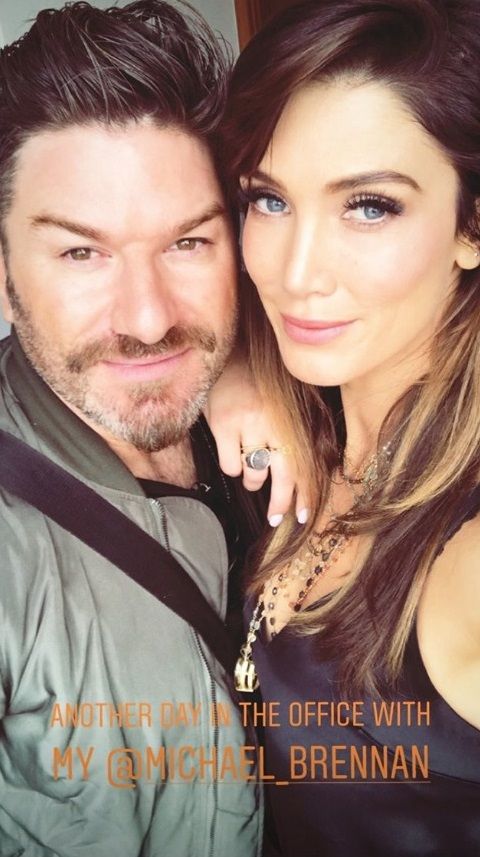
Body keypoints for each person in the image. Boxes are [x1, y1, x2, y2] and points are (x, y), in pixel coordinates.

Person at [0, 2, 264, 854]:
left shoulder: (300, 394)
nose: (149, 319)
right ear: (3, 271)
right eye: (82, 252)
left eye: (188, 243)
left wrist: (250, 366)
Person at [221, 0, 480, 854]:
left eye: (369, 206)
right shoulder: (304, 429)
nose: (296, 273)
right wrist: (232, 373)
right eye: (269, 199)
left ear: (471, 226)